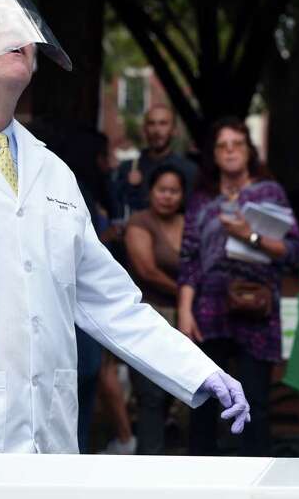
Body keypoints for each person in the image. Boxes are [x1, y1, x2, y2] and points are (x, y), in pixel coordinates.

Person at [0, 0, 249, 470]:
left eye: (23, 31)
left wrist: (196, 370)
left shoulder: (54, 173)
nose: (17, 36)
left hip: (51, 450)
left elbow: (112, 302)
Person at [178, 117, 299, 456]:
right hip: (208, 311)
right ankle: (200, 484)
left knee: (256, 404)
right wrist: (185, 312)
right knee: (203, 400)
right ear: (213, 155)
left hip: (257, 311)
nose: (230, 151)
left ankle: (257, 480)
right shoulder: (202, 200)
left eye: (237, 144)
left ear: (249, 151)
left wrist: (249, 235)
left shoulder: (269, 192)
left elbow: (292, 250)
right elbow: (189, 258)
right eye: (222, 145)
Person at [123, 165, 188, 454]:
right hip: (150, 317)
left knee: (181, 396)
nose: (168, 197)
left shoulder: (188, 223)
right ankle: (148, 464)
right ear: (150, 192)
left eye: (174, 191)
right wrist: (186, 292)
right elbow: (146, 270)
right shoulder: (140, 222)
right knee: (150, 396)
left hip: (184, 319)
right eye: (162, 190)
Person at [112, 104, 198, 220]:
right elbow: (117, 211)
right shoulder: (129, 168)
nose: (157, 130)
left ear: (174, 130)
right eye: (151, 124)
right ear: (144, 130)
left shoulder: (189, 170)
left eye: (163, 123)